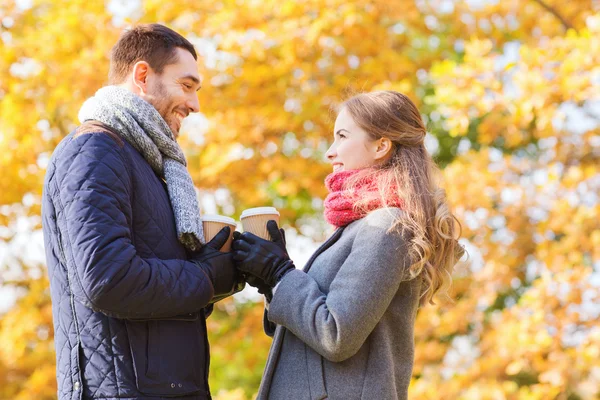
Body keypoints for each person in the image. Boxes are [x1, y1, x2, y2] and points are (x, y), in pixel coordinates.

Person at [41, 24, 240, 400]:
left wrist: (229, 267)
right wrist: (207, 278)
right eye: (187, 86)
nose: (196, 105)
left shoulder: (151, 166)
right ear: (143, 76)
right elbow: (108, 280)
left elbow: (159, 293)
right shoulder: (95, 151)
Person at [232, 90, 464, 400]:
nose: (330, 151)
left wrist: (281, 272)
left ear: (381, 145)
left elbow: (336, 335)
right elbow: (308, 339)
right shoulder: (359, 226)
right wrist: (272, 283)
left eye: (342, 136)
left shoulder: (386, 226)